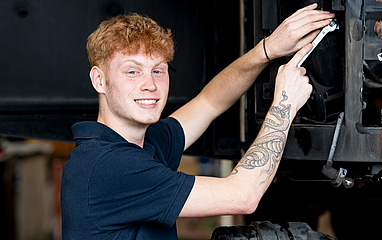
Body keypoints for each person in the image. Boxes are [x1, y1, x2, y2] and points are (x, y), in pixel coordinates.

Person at [60, 3, 335, 239]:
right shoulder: (109, 166)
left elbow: (210, 102)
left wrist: (267, 50)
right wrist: (285, 103)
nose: (150, 85)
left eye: (158, 71)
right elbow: (242, 196)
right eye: (132, 71)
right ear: (99, 80)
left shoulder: (141, 144)